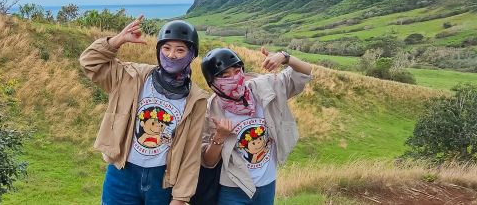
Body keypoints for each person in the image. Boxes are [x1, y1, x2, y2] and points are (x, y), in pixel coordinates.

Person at [81, 16, 209, 205]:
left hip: (163, 179)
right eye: (166, 48)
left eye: (180, 50)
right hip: (122, 173)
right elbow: (89, 62)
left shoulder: (196, 99)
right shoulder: (132, 76)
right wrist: (118, 40)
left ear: (191, 54)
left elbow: (191, 152)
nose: (172, 55)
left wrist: (181, 198)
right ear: (158, 49)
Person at [199, 47, 313, 205]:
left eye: (237, 71)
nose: (234, 78)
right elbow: (208, 161)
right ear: (213, 84)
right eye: (225, 76)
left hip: (267, 184)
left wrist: (285, 57)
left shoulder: (264, 87)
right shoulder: (211, 109)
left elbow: (305, 72)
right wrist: (219, 137)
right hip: (233, 187)